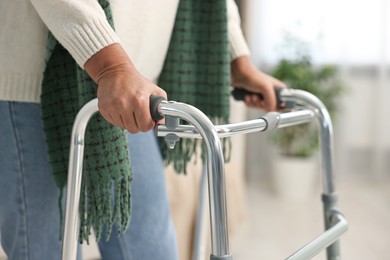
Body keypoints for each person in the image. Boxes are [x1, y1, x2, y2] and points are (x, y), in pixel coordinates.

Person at [0, 0, 283, 259]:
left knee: (151, 249)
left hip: (134, 90)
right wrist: (111, 66)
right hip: (35, 83)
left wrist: (236, 59)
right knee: (44, 250)